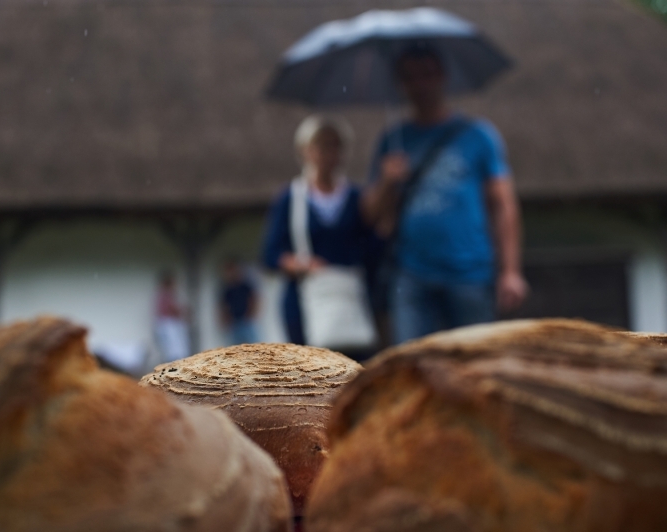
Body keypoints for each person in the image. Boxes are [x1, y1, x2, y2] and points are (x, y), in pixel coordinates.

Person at [362, 45, 528, 343]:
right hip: (411, 274)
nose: (420, 84)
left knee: (473, 361)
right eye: (410, 77)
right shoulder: (393, 141)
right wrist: (387, 181)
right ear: (400, 84)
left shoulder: (478, 135)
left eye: (427, 75)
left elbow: (503, 204)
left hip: (470, 274)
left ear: (442, 76)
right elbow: (370, 214)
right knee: (411, 362)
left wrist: (510, 271)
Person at [262, 114, 373, 349]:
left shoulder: (356, 197)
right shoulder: (290, 198)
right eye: (320, 146)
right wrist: (302, 264)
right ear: (305, 150)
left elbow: (371, 248)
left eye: (334, 146)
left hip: (348, 299)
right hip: (304, 303)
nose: (327, 153)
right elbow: (270, 254)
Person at [220, 259, 259, 345]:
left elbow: (253, 299)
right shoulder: (227, 289)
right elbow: (224, 306)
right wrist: (225, 319)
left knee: (253, 344)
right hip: (234, 322)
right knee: (236, 346)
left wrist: (251, 314)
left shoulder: (245, 285)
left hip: (246, 320)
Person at [154, 272, 190, 361]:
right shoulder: (165, 295)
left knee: (176, 349)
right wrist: (184, 311)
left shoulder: (169, 294)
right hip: (169, 325)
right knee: (174, 350)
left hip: (169, 325)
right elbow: (172, 309)